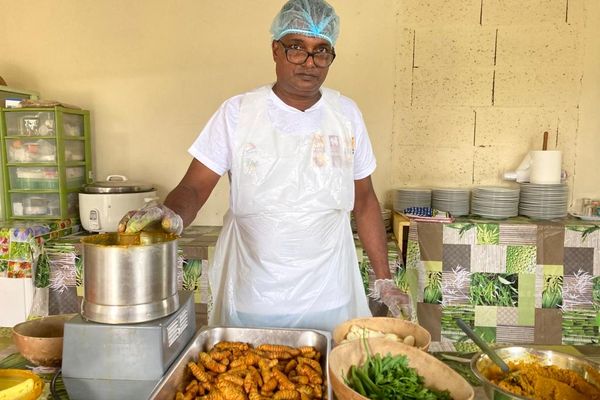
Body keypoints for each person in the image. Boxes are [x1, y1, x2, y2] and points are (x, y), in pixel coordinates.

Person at [119, 0, 410, 332]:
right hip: (254, 295)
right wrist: (172, 214)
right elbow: (194, 187)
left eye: (321, 51)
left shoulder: (346, 115)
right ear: (276, 49)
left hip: (330, 292)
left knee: (328, 376)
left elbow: (366, 200)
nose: (309, 63)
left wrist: (384, 280)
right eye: (296, 48)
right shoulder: (238, 113)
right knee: (247, 378)